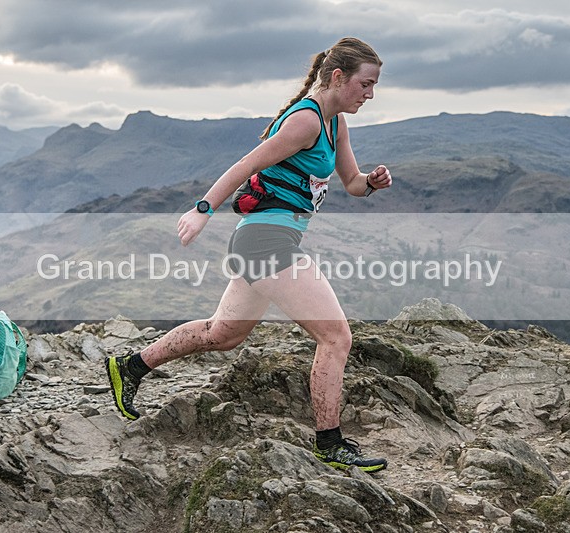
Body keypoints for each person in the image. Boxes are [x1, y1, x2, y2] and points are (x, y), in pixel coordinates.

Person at [106, 37, 391, 472]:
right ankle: (329, 443)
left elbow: (351, 182)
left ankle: (131, 366)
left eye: (373, 86)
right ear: (337, 77)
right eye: (365, 84)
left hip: (269, 241)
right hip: (265, 243)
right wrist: (202, 210)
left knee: (223, 334)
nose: (370, 94)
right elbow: (245, 166)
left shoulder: (335, 124)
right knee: (336, 337)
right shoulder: (306, 122)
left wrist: (371, 181)